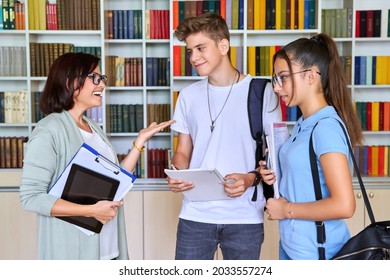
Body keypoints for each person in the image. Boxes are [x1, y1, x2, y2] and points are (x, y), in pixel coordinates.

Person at [19, 52, 175, 260]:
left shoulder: (92, 127)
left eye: (102, 79)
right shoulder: (49, 130)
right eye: (95, 78)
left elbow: (114, 179)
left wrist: (140, 142)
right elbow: (31, 198)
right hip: (74, 253)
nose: (102, 84)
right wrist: (90, 210)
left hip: (108, 249)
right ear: (70, 82)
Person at [166, 13, 281, 260]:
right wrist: (177, 171)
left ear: (223, 45)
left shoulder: (264, 93)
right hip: (195, 215)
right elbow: (183, 150)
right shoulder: (187, 96)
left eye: (200, 48)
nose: (193, 58)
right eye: (189, 51)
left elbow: (274, 156)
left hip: (245, 216)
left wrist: (250, 179)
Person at [260, 33, 363, 260]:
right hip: (293, 248)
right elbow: (306, 179)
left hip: (316, 254)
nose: (277, 88)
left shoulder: (325, 128)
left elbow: (344, 205)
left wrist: (285, 210)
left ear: (311, 76)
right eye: (275, 79)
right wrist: (273, 172)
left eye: (283, 77)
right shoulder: (303, 124)